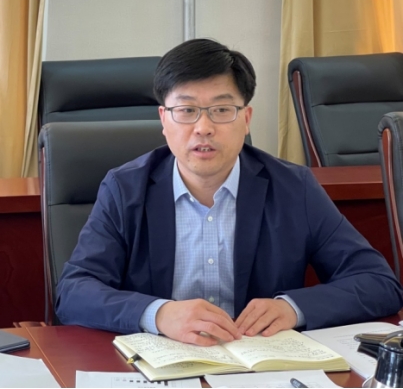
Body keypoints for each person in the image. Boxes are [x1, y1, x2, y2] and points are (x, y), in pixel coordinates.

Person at [56, 38, 403, 346]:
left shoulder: (292, 187)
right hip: (159, 368)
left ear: (246, 118)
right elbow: (74, 292)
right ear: (163, 119)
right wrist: (158, 314)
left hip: (261, 370)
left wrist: (292, 308)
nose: (203, 128)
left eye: (222, 110)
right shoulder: (125, 188)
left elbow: (378, 282)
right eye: (186, 111)